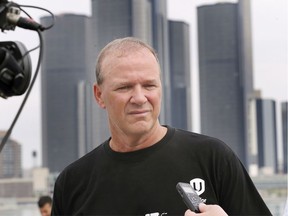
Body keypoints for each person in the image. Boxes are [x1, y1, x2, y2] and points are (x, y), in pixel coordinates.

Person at [51, 37, 271, 215]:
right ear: (99, 95)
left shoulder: (213, 158)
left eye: (149, 85)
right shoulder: (73, 183)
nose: (139, 98)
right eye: (125, 87)